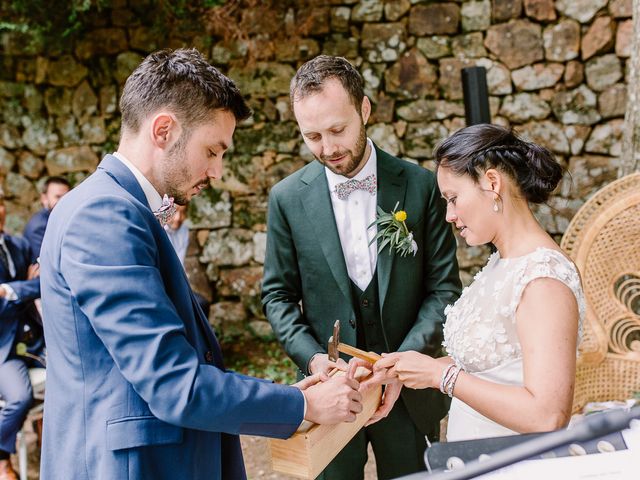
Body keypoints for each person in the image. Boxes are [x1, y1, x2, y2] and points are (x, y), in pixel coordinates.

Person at [38, 48, 364, 480]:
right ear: (164, 130)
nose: (217, 171)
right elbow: (173, 384)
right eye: (212, 150)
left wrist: (286, 395)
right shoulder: (102, 216)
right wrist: (303, 405)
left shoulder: (116, 207)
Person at [262, 55, 461, 480]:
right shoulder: (286, 199)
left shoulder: (420, 185)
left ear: (365, 109)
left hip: (408, 394)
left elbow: (443, 289)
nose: (328, 148)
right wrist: (315, 361)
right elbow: (277, 297)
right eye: (312, 136)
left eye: (338, 129)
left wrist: (404, 365)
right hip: (331, 395)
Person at [375, 124, 585, 441]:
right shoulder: (502, 263)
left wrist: (440, 376)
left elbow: (547, 415)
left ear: (491, 183)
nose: (449, 215)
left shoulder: (543, 279)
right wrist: (410, 369)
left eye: (453, 198)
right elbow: (492, 367)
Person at [0, 189, 42, 480]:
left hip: (34, 340)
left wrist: (11, 290)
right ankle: (2, 458)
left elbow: (44, 283)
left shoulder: (19, 245)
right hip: (3, 349)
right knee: (19, 397)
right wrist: (25, 288)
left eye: (1, 201)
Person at [165, 203, 210, 316]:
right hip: (162, 287)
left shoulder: (183, 230)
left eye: (183, 212)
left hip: (176, 287)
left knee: (202, 305)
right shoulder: (159, 230)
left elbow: (179, 264)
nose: (178, 218)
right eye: (175, 212)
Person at [23, 176, 70, 256]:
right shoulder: (39, 226)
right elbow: (44, 260)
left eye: (67, 197)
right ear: (44, 198)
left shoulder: (60, 219)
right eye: (58, 197)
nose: (63, 201)